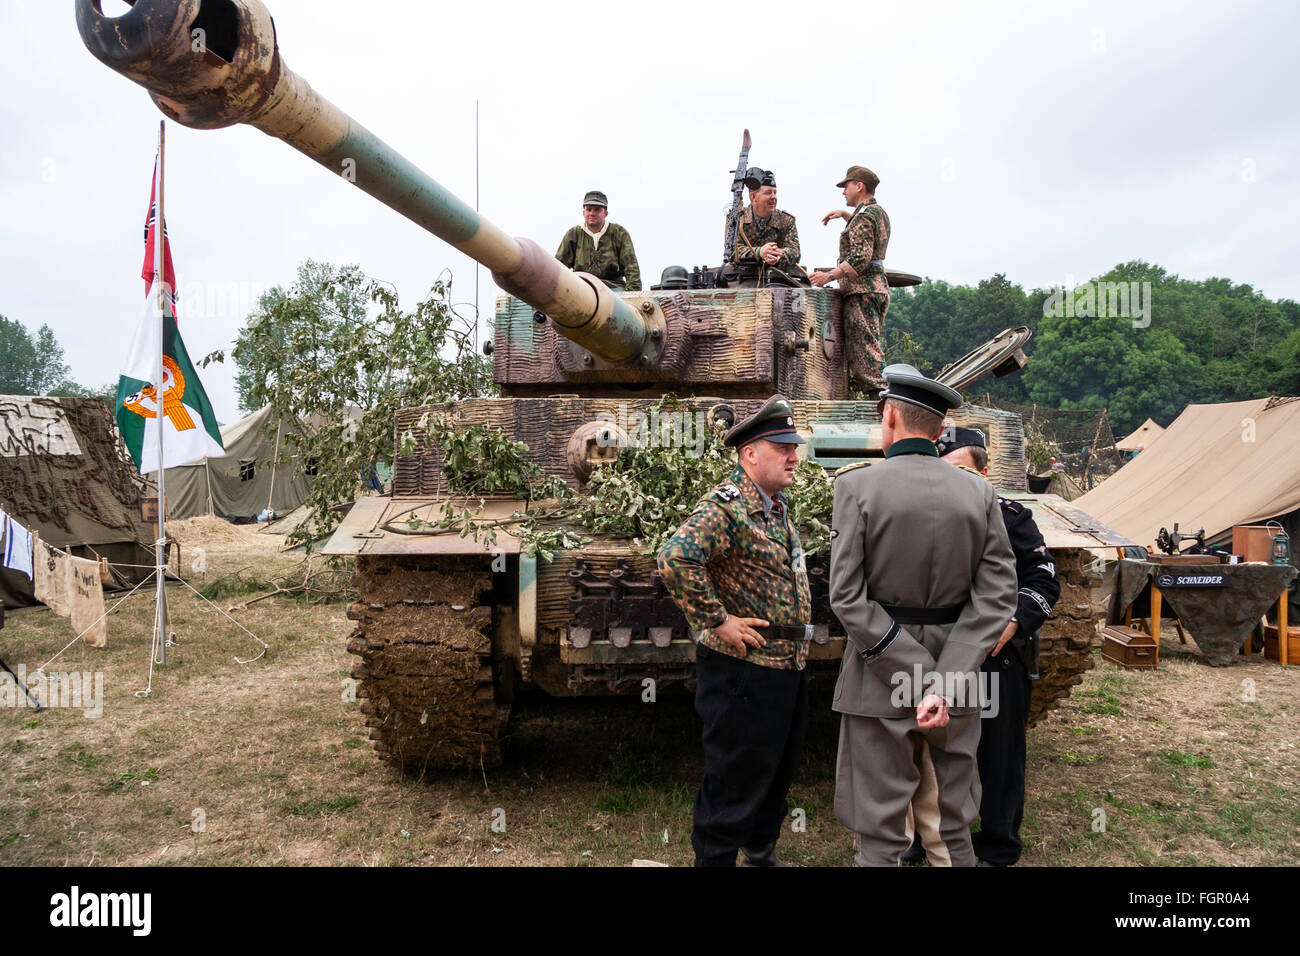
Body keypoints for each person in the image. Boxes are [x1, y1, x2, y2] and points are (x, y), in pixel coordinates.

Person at [829, 365, 1017, 867]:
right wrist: (944, 681)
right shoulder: (979, 492)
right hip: (960, 680)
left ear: (889, 417)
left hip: (879, 671)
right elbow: (998, 595)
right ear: (939, 431)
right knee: (951, 824)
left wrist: (915, 674)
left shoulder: (855, 487)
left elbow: (846, 597)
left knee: (881, 827)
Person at [657, 395, 812, 867]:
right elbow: (674, 556)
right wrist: (717, 620)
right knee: (734, 778)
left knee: (777, 770)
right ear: (750, 454)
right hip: (744, 670)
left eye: (794, 445)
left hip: (784, 664)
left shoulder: (774, 506)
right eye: (782, 446)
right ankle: (717, 859)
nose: (793, 455)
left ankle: (760, 853)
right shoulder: (726, 508)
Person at [900, 427, 1061, 867]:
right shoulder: (923, 516)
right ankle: (922, 837)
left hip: (994, 657)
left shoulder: (1011, 518)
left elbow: (1043, 580)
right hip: (935, 653)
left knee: (998, 753)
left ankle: (997, 843)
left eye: (963, 472)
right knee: (924, 749)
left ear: (985, 472)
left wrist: (1014, 623)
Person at [809, 166, 890, 394]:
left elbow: (860, 257)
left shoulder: (863, 217)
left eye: (846, 186)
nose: (844, 191)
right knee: (870, 345)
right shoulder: (877, 212)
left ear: (859, 186)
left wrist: (829, 276)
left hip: (862, 291)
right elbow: (870, 238)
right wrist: (846, 216)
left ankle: (880, 404)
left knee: (865, 352)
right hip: (876, 287)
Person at [554, 190, 641, 291]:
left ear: (605, 213)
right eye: (589, 209)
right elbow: (558, 267)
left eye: (597, 210)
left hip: (613, 287)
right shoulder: (573, 234)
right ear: (583, 213)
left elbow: (631, 268)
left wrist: (632, 295)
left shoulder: (619, 233)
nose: (592, 213)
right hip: (581, 287)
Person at [730, 169, 800, 285]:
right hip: (743, 280)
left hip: (777, 280)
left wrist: (778, 254)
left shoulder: (785, 220)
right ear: (753, 197)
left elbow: (795, 251)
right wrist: (759, 252)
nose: (773, 197)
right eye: (768, 193)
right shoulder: (738, 219)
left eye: (775, 192)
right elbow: (732, 252)